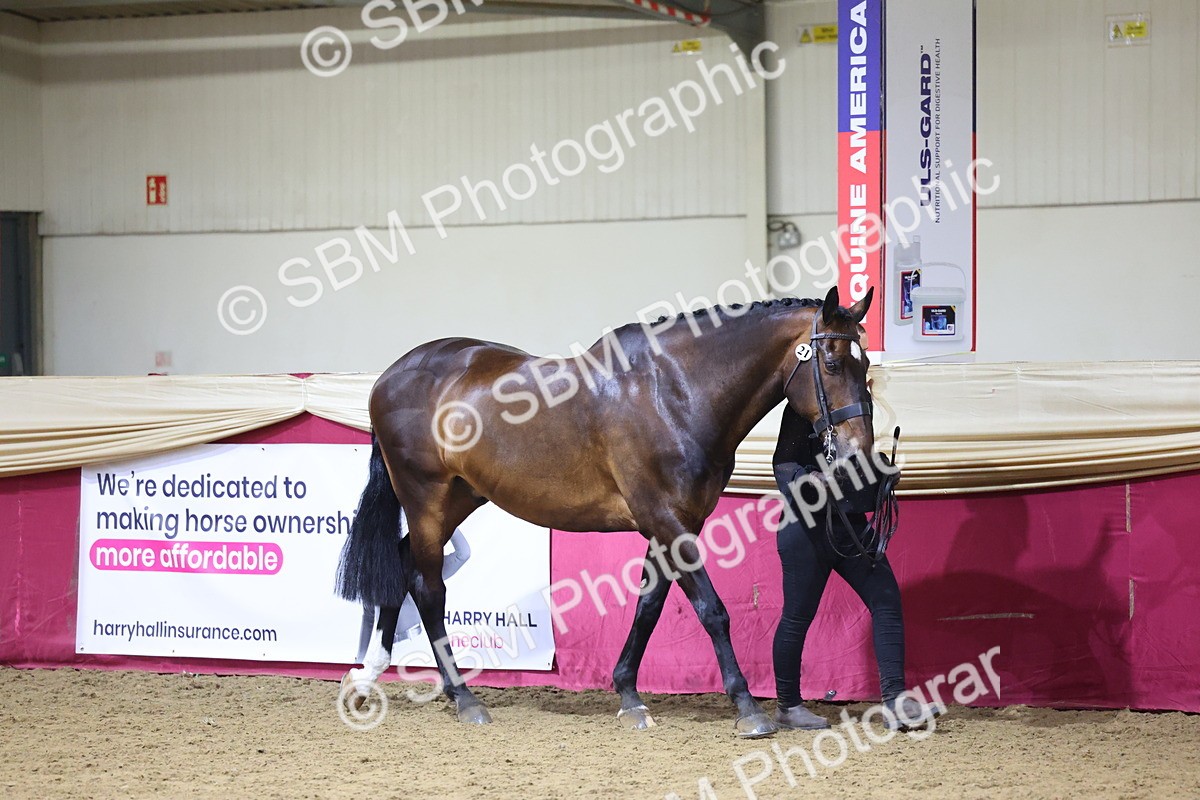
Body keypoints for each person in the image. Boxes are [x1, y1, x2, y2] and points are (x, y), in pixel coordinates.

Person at [770, 404, 939, 730]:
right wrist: (808, 478)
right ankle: (788, 706)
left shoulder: (861, 409)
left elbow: (855, 469)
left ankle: (895, 702)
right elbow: (784, 464)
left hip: (851, 526)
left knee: (886, 599)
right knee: (797, 616)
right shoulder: (801, 407)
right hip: (804, 529)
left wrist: (881, 474)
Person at [354, 513, 472, 661]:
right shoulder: (373, 571)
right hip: (382, 649)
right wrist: (359, 659)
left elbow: (463, 554)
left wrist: (444, 517)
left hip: (415, 646)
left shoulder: (422, 569)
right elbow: (368, 617)